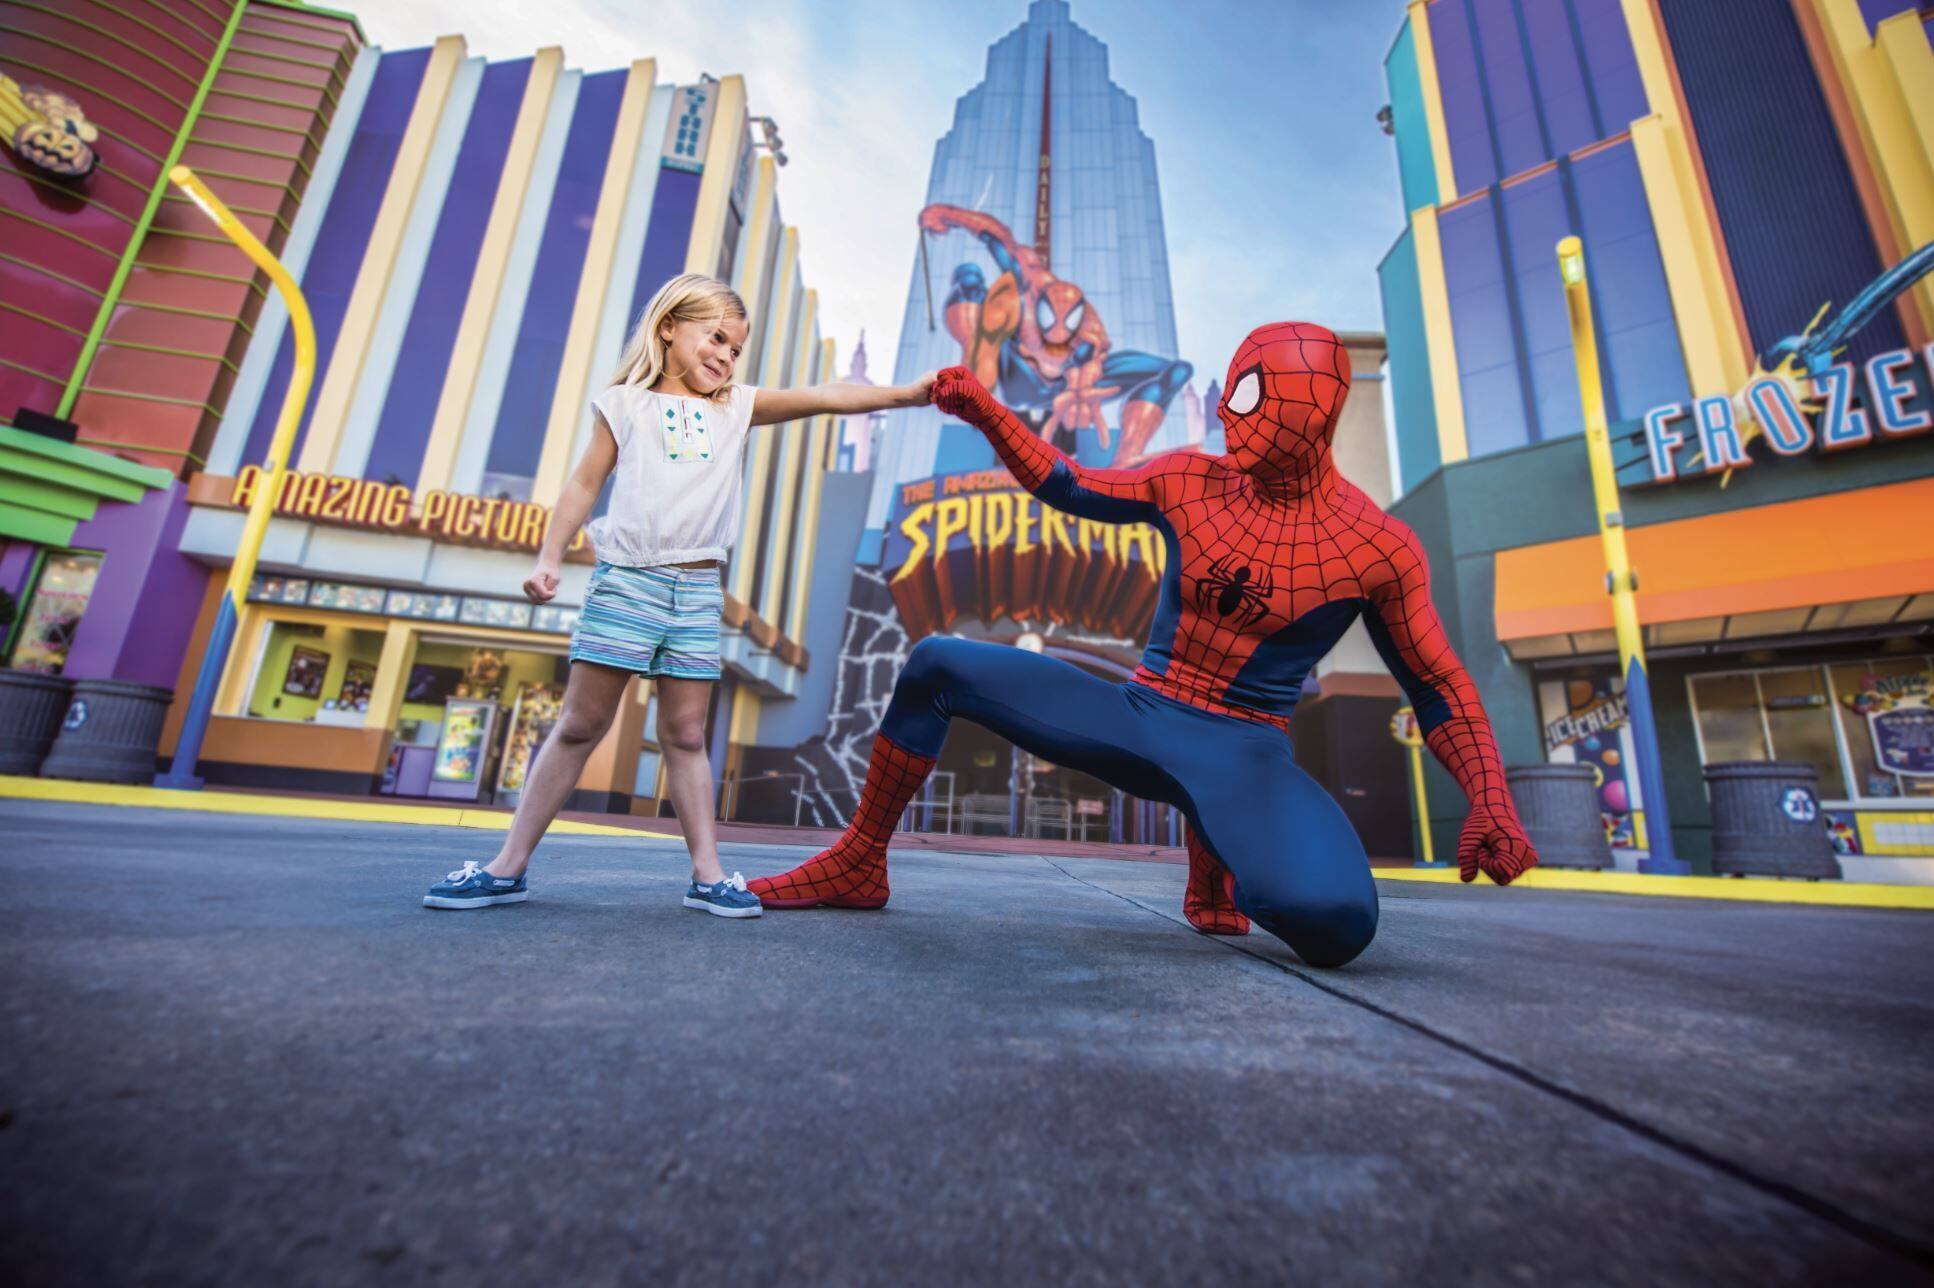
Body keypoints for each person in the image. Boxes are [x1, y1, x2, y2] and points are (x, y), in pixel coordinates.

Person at [749, 322, 1539, 966]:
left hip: (1245, 751)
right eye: (1233, 387)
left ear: (1313, 415)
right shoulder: (1192, 477)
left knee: (1335, 924)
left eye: (1254, 395)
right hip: (1138, 712)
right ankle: (859, 861)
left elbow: (1439, 685)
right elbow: (1067, 482)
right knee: (936, 664)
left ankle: (1220, 868)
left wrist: (1491, 801)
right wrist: (988, 411)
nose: (1230, 409)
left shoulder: (1378, 546)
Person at [425, 273, 937, 916]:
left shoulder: (737, 406)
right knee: (581, 723)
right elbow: (584, 485)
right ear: (669, 328)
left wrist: (911, 394)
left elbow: (826, 395)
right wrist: (550, 557)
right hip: (629, 578)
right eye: (715, 338)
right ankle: (506, 868)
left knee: (687, 734)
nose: (724, 356)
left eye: (735, 349)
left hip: (697, 590)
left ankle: (708, 875)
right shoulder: (625, 405)